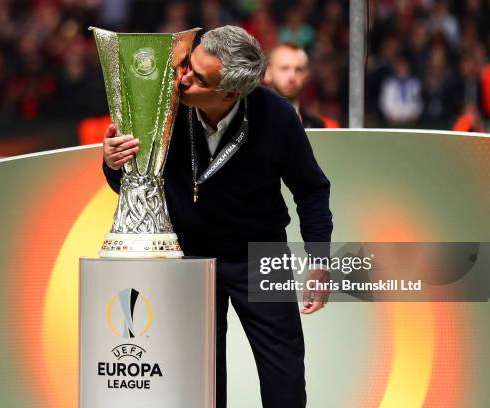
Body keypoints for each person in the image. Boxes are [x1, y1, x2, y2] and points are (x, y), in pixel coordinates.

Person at [102, 26, 332, 408]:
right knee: (201, 380)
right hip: (190, 255)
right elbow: (132, 183)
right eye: (188, 66)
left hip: (262, 254)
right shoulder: (164, 107)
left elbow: (311, 189)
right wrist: (113, 162)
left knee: (285, 380)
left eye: (198, 78)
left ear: (229, 93)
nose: (183, 78)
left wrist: (319, 259)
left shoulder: (276, 117)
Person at [265, 42, 336, 128]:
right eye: (284, 68)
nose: (292, 77)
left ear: (306, 76)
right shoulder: (251, 121)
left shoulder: (318, 126)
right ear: (267, 73)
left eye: (299, 70)